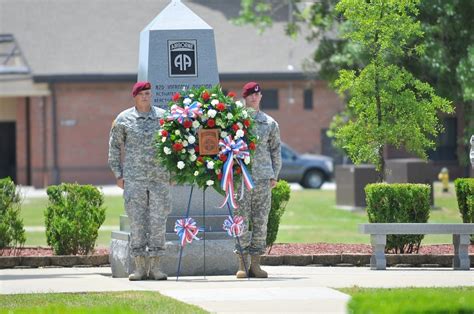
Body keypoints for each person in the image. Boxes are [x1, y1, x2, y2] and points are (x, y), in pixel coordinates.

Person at [108, 81, 171, 281]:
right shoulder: (123, 119)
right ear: (135, 96)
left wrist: (173, 173)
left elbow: (175, 146)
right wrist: (118, 174)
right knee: (137, 222)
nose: (145, 96)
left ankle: (156, 268)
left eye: (148, 93)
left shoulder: (163, 118)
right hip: (134, 180)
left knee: (158, 222)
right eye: (142, 93)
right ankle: (139, 268)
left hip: (159, 179)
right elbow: (114, 148)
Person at [235, 81, 282, 278]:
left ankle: (256, 264)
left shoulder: (270, 123)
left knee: (261, 221)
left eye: (257, 94)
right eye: (250, 95)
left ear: (260, 97)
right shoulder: (235, 121)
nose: (254, 97)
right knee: (241, 221)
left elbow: (276, 151)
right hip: (241, 179)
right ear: (244, 98)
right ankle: (242, 264)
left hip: (263, 178)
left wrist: (274, 175)